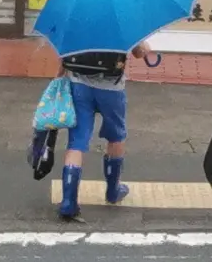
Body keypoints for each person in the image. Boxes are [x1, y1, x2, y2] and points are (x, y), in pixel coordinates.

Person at [57, 42, 153, 219]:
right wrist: (145, 48)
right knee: (116, 136)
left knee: (77, 142)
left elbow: (64, 54)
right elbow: (140, 52)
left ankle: (68, 201)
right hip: (112, 90)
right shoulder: (119, 17)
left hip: (79, 86)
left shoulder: (78, 17)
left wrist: (58, 78)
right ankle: (113, 190)